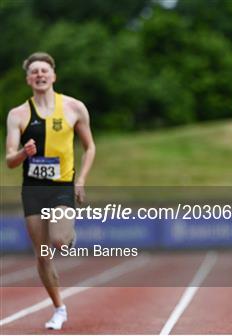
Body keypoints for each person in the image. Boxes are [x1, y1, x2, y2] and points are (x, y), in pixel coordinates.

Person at [5, 52, 96, 330]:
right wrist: (23, 153)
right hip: (33, 190)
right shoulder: (18, 114)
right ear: (28, 79)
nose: (40, 75)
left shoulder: (73, 107)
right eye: (34, 72)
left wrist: (80, 180)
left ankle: (67, 234)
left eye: (44, 70)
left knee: (58, 241)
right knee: (43, 255)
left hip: (61, 187)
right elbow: (9, 159)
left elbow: (89, 147)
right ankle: (59, 308)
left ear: (53, 75)